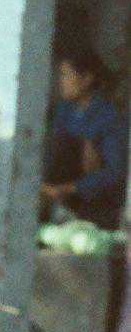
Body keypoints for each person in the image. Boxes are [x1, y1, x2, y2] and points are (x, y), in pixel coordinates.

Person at [41, 47, 128, 232]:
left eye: (66, 75)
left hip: (93, 198)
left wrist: (69, 188)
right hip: (59, 192)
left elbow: (114, 173)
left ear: (86, 79)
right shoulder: (64, 110)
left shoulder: (108, 116)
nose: (61, 82)